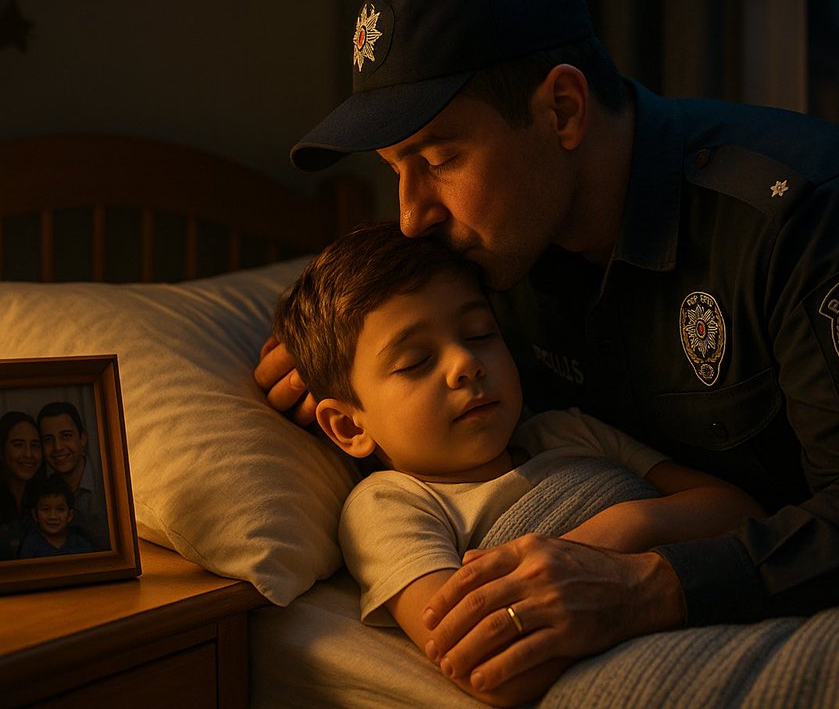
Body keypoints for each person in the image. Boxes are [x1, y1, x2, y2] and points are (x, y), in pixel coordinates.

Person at [257, 0, 839, 695]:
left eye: (440, 158)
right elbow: (395, 313)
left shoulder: (804, 210)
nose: (412, 215)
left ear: (562, 110)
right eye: (395, 170)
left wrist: (643, 584)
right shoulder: (495, 253)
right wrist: (344, 352)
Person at [271, 221, 764, 706]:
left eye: (480, 333)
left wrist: (622, 528)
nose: (466, 363)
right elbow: (489, 666)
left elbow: (742, 512)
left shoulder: (566, 431)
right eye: (416, 361)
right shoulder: (390, 506)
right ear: (349, 426)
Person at [39, 401, 109, 551]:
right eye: (48, 440)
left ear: (83, 438)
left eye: (66, 436)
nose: (58, 447)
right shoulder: (41, 490)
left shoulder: (109, 482)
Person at [0, 411, 45, 560]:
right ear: (2, 451)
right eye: (18, 445)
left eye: (35, 445)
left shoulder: (44, 500)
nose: (29, 454)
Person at [19, 474, 94, 558]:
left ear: (70, 515)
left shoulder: (80, 544)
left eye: (60, 509)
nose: (53, 516)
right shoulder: (30, 546)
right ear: (35, 515)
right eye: (46, 509)